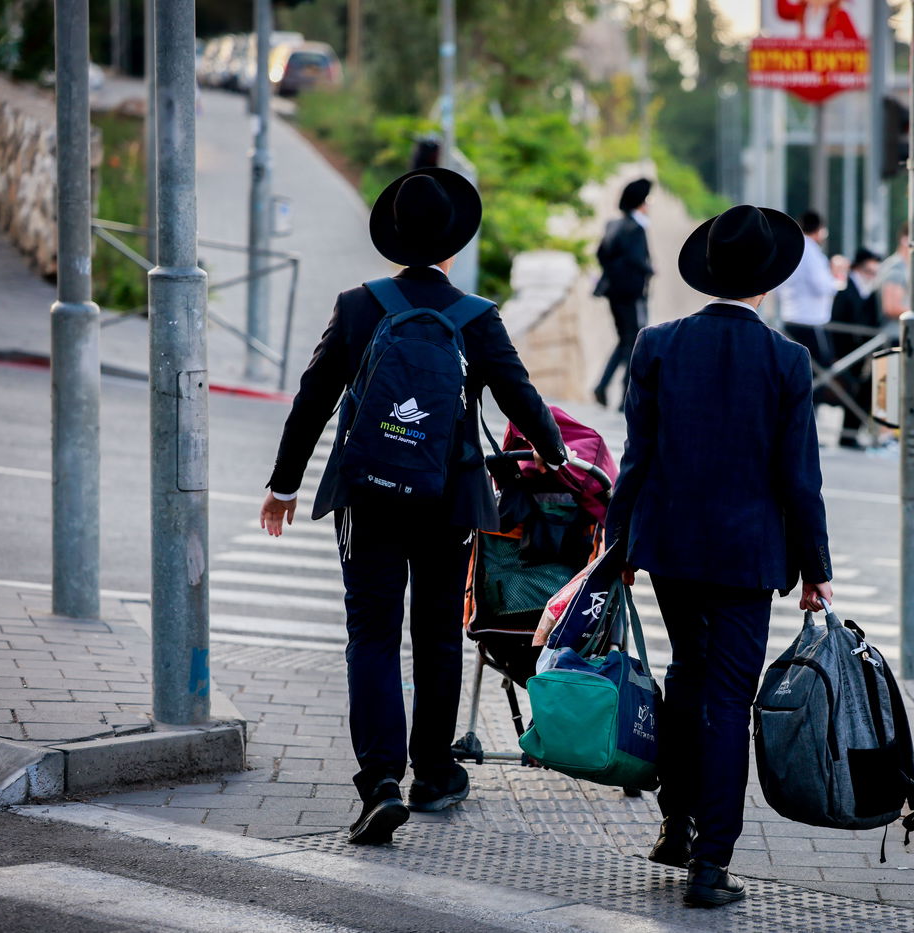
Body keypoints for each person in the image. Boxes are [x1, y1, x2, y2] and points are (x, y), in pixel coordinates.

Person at [259, 168, 567, 846]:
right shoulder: (477, 317)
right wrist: (554, 452)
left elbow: (313, 398)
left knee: (371, 635)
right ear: (454, 245)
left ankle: (380, 784)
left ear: (395, 238)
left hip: (368, 494)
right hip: (449, 498)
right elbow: (519, 394)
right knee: (436, 633)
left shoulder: (358, 305)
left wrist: (283, 486)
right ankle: (433, 772)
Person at [605, 204, 834, 908]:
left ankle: (674, 825)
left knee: (687, 674)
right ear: (767, 282)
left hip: (672, 546)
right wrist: (816, 569)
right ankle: (711, 866)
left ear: (708, 273)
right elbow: (799, 477)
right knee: (730, 698)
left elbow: (637, 456)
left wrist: (617, 543)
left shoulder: (657, 345)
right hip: (747, 555)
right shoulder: (788, 360)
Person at [593, 178, 655, 409]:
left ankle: (603, 386)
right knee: (633, 342)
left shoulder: (613, 225)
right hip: (631, 295)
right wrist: (650, 270)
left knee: (624, 340)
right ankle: (624, 397)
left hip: (614, 293)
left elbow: (601, 254)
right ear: (640, 203)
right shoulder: (636, 228)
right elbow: (638, 260)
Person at [778, 210, 841, 397]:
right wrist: (836, 280)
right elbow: (822, 285)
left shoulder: (792, 248)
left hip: (790, 318)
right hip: (811, 321)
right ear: (820, 230)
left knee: (792, 370)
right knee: (817, 372)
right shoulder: (812, 252)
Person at [829, 247, 882, 449]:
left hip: (858, 351)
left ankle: (850, 434)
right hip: (843, 351)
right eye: (869, 271)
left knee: (860, 391)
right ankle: (847, 435)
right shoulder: (845, 287)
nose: (871, 276)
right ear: (858, 268)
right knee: (846, 392)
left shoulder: (867, 290)